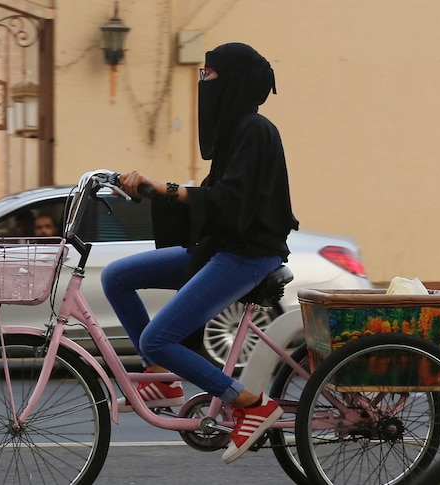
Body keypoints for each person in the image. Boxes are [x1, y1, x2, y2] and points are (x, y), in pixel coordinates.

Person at [101, 42, 299, 464]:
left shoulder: (255, 131)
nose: (201, 83)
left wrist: (167, 189)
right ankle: (161, 377)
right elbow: (213, 197)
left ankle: (250, 403)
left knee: (158, 337)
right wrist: (153, 191)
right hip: (223, 248)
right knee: (115, 277)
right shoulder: (235, 133)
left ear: (233, 82)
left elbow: (230, 202)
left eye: (208, 75)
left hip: (249, 254)